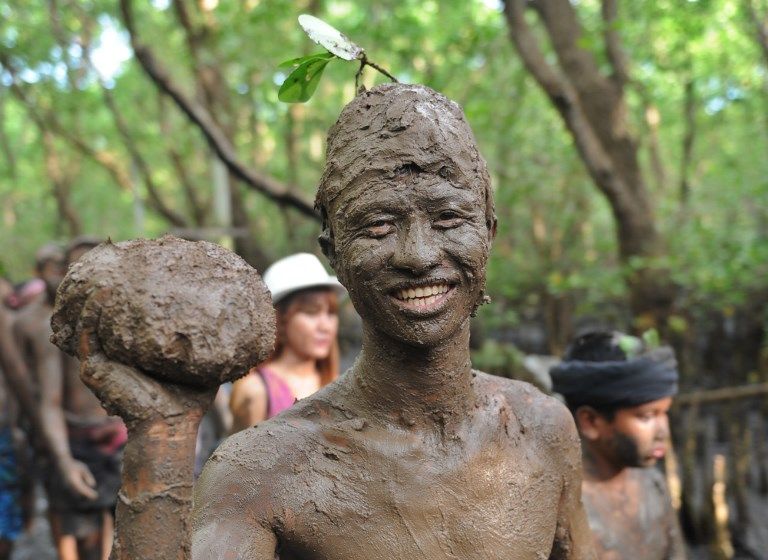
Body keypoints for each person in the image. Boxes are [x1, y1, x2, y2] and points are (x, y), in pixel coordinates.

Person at [191, 83, 594, 559]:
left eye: (447, 219)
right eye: (378, 226)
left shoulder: (542, 429)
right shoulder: (259, 472)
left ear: (488, 232)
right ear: (335, 254)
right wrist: (159, 442)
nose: (418, 256)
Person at [15, 237, 124, 560]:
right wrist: (62, 459)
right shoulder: (55, 329)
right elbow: (46, 401)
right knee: (75, 527)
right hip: (74, 439)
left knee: (115, 523)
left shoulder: (126, 323)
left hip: (118, 440)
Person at [550, 331, 687, 560]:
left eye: (664, 413)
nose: (663, 431)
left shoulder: (653, 485)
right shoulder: (557, 507)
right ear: (591, 421)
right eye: (646, 417)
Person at [229, 252, 344, 433]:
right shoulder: (256, 391)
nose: (325, 326)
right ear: (280, 321)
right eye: (311, 312)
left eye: (330, 313)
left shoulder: (342, 387)